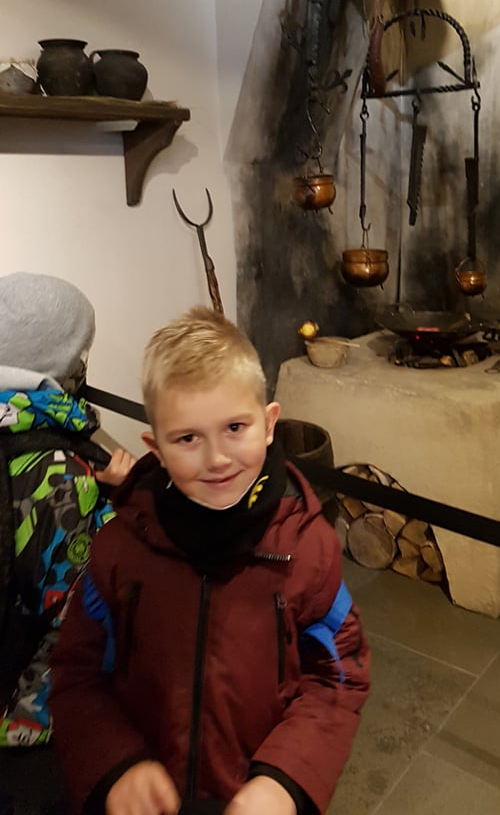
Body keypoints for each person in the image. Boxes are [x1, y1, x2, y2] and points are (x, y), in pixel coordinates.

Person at [49, 306, 370, 815]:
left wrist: (287, 779)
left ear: (269, 425)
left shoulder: (309, 549)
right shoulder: (120, 549)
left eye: (235, 427)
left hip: (254, 793)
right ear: (156, 447)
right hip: (148, 797)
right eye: (188, 438)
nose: (217, 458)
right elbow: (76, 674)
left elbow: (338, 677)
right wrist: (114, 764)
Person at [0, 272, 136, 814]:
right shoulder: (59, 472)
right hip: (29, 715)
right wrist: (121, 502)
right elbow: (89, 596)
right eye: (81, 351)